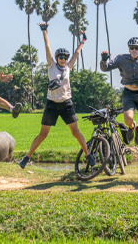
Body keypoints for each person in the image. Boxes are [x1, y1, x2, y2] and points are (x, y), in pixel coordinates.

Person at [19, 23, 92, 169]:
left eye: (66, 57)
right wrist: (44, 31)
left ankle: (88, 155)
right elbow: (47, 47)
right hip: (51, 105)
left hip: (66, 104)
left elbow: (77, 52)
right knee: (43, 134)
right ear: (57, 57)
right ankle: (27, 157)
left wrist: (83, 40)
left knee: (76, 132)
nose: (64, 59)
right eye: (61, 57)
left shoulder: (68, 67)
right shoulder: (51, 66)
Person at [100, 37, 138, 146]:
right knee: (128, 119)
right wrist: (104, 60)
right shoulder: (121, 59)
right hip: (129, 93)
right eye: (132, 48)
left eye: (136, 48)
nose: (134, 50)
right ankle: (131, 127)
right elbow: (105, 68)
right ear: (129, 48)